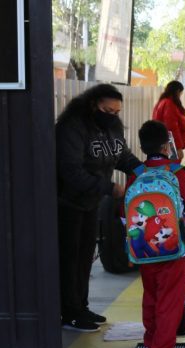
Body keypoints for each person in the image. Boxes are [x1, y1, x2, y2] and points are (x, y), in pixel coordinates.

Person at [55, 83, 142, 332]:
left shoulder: (111, 127)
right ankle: (68, 312)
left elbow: (121, 155)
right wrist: (107, 187)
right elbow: (70, 171)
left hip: (91, 202)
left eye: (117, 112)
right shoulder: (71, 128)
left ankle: (81, 306)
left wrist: (143, 171)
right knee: (68, 259)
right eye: (108, 110)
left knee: (84, 258)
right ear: (93, 105)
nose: (113, 116)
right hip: (67, 203)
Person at [126, 120, 185, 348]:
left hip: (144, 251)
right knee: (170, 300)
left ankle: (151, 345)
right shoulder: (176, 173)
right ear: (165, 144)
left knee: (151, 296)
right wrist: (184, 231)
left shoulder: (136, 175)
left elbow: (125, 216)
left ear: (143, 146)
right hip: (171, 249)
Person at [152, 80, 185, 161]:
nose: (180, 96)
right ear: (177, 91)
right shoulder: (169, 104)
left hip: (162, 145)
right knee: (171, 171)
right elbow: (172, 128)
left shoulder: (161, 102)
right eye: (180, 94)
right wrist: (177, 148)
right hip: (170, 146)